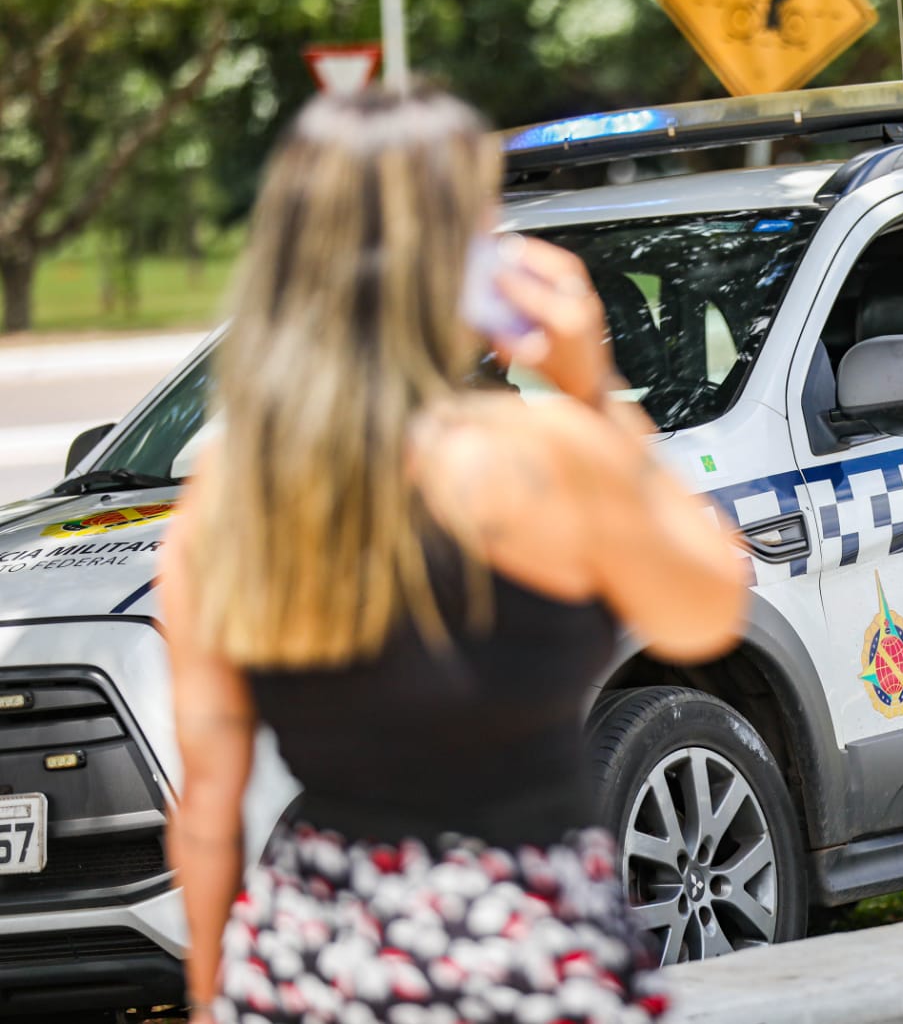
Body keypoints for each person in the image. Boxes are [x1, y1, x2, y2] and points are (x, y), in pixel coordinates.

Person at [160, 86, 749, 1024]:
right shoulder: (540, 457)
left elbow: (208, 808)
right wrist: (594, 395)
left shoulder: (233, 494)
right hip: (524, 948)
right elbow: (707, 605)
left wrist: (211, 1002)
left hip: (311, 957)